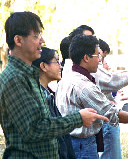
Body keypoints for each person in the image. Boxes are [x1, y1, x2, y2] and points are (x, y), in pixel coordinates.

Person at [0, 11, 109, 158]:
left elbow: (44, 122)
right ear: (18, 40)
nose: (42, 40)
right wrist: (78, 118)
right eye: (36, 35)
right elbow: (34, 129)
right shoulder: (15, 78)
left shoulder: (29, 75)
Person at [55, 34, 128, 159]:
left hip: (71, 142)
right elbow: (111, 113)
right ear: (86, 58)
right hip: (83, 146)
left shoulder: (68, 76)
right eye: (98, 55)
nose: (100, 60)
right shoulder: (84, 86)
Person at [32, 47, 76, 159]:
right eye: (56, 62)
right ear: (44, 66)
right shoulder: (37, 97)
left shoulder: (47, 93)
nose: (60, 66)